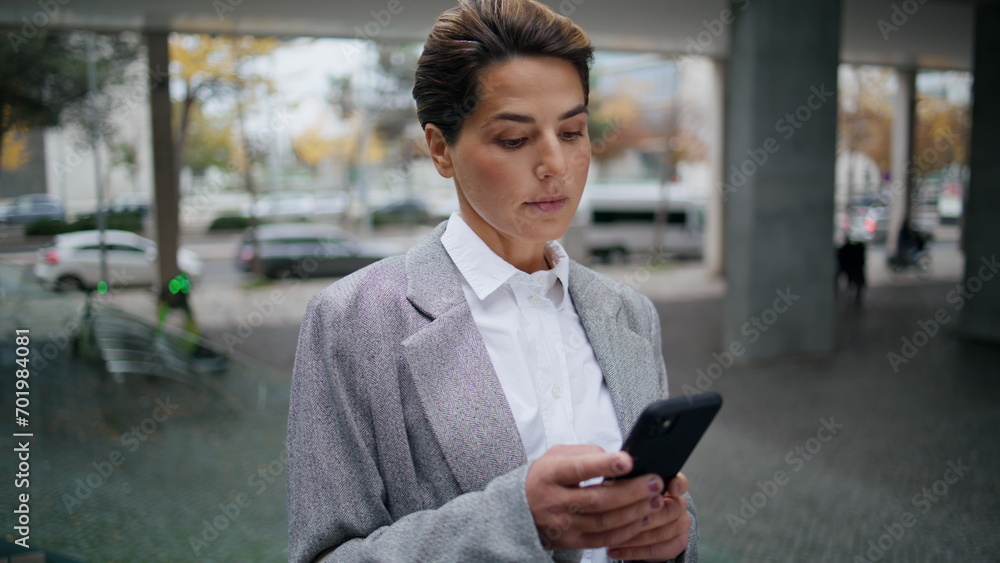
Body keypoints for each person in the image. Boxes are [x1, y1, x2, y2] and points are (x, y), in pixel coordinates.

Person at [286, 1, 698, 561]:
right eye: (514, 139)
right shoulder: (354, 321)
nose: (556, 163)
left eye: (573, 131)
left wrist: (672, 540)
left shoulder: (627, 313)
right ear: (440, 149)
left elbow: (660, 510)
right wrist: (513, 522)